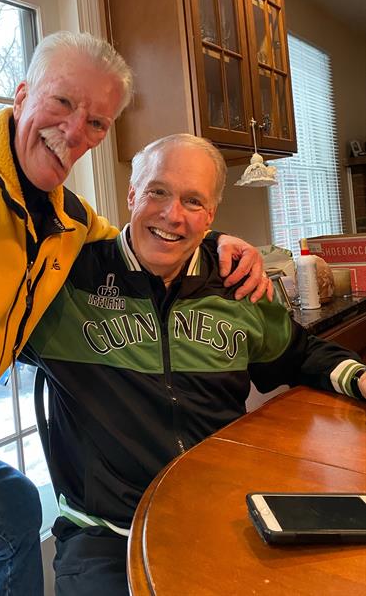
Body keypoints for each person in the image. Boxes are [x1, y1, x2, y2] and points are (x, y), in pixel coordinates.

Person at [0, 32, 269, 595]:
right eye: (62, 101)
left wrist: (216, 243)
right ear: (21, 95)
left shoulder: (68, 221)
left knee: (11, 510)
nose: (75, 131)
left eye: (97, 122)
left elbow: (145, 239)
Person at [23, 133, 366, 596]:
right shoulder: (65, 280)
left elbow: (299, 354)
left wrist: (358, 376)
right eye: (157, 191)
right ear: (131, 194)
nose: (172, 215)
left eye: (193, 201)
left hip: (219, 514)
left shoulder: (236, 284)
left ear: (211, 215)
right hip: (106, 534)